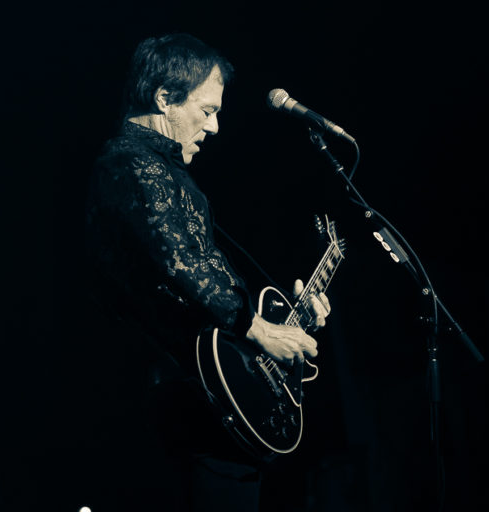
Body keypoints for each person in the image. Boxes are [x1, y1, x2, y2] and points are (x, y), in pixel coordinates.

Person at [84, 32, 331, 512]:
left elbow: (200, 284)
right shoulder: (130, 164)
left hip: (206, 406)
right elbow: (177, 262)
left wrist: (290, 324)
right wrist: (258, 328)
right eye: (207, 110)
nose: (215, 127)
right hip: (179, 407)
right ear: (164, 98)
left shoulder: (162, 171)